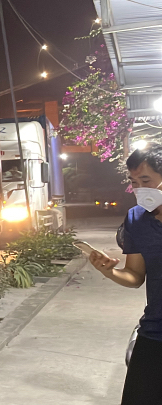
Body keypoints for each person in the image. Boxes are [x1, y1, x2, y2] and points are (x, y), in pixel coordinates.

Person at [89, 143, 162, 405]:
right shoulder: (136, 219)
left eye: (146, 180)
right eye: (134, 182)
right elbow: (134, 275)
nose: (140, 189)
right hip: (155, 332)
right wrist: (109, 271)